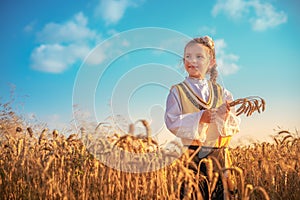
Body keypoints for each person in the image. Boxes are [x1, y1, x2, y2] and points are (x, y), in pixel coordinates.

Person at [164, 36, 240, 199]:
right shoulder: (177, 91)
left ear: (211, 62)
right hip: (193, 157)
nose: (192, 60)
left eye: (199, 57)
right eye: (188, 56)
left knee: (221, 195)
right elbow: (172, 121)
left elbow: (234, 125)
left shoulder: (222, 92)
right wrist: (200, 118)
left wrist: (224, 116)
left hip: (219, 156)